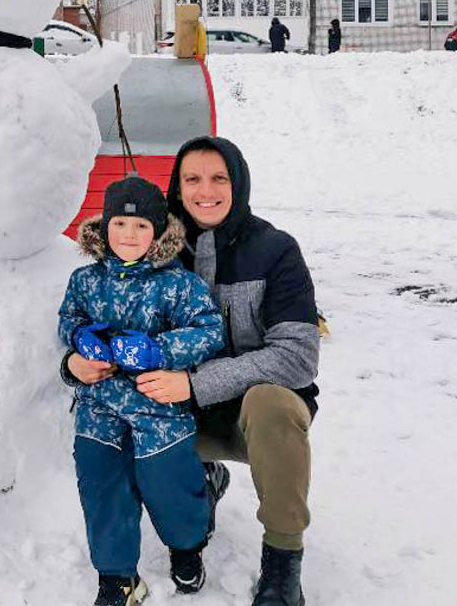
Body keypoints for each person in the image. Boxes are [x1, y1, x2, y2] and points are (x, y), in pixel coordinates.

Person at [135, 137, 318, 606]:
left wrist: (197, 384)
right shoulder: (157, 254)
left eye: (219, 178)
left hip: (253, 418)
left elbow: (297, 355)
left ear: (238, 182)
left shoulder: (275, 250)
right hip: (181, 415)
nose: (206, 191)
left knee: (270, 401)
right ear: (177, 188)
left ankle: (282, 565)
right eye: (192, 179)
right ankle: (196, 491)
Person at [59, 176, 224, 606]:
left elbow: (210, 331)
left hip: (159, 404)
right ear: (104, 228)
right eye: (119, 225)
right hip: (100, 404)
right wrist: (81, 340)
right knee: (101, 486)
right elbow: (67, 319)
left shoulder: (177, 284)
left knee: (166, 484)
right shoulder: (85, 279)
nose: (128, 236)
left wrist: (161, 349)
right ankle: (117, 577)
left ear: (157, 233)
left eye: (140, 228)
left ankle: (187, 545)